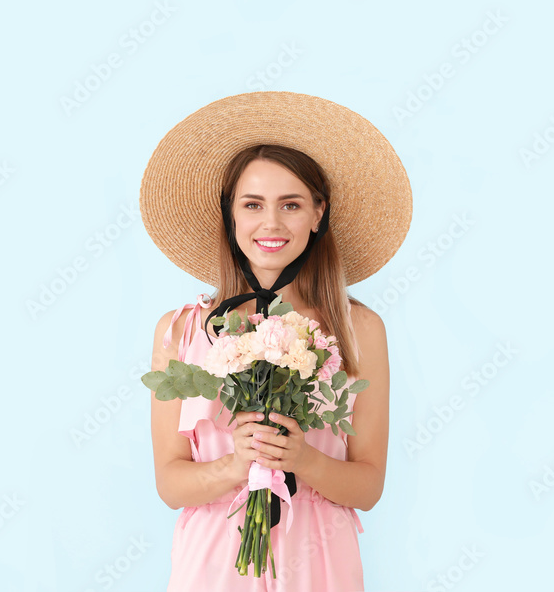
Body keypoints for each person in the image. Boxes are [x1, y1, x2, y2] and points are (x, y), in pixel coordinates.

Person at [139, 91, 413, 591]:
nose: (271, 223)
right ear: (231, 215)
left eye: (291, 204)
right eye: (253, 204)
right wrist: (237, 463)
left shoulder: (358, 330)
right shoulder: (180, 330)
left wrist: (302, 458)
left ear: (317, 213)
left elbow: (368, 484)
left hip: (319, 559)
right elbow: (170, 483)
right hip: (215, 563)